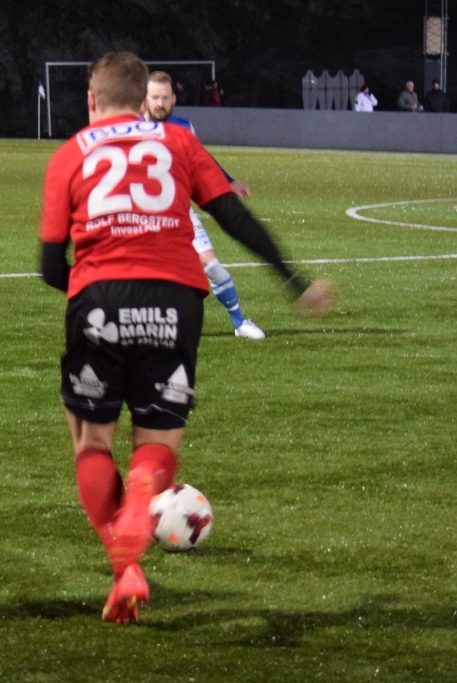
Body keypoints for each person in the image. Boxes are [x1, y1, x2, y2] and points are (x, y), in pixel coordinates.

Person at [38, 52, 333, 624]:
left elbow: (51, 266)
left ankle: (124, 566)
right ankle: (143, 492)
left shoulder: (70, 154)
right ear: (143, 99)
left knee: (92, 442)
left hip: (99, 301)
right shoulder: (177, 141)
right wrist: (294, 282)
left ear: (92, 100)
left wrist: (90, 291)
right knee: (158, 441)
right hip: (175, 299)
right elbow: (234, 217)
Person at [144, 71, 264, 339]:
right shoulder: (130, 129)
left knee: (213, 267)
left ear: (173, 99)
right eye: (155, 97)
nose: (160, 103)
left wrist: (228, 181)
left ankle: (240, 323)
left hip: (179, 211)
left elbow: (202, 160)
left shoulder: (184, 127)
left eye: (165, 97)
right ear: (145, 99)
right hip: (142, 216)